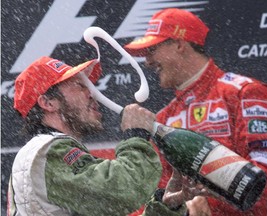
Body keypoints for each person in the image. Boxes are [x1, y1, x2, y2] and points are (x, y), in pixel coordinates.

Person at [124, 8, 267, 216]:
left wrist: (211, 203)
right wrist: (175, 205)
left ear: (179, 45)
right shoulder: (165, 118)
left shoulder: (244, 93)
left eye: (152, 50)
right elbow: (158, 191)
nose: (147, 61)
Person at [7, 56, 162, 216]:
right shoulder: (48, 152)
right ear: (48, 103)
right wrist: (135, 136)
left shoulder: (49, 153)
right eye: (80, 86)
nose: (93, 94)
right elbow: (124, 191)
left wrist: (165, 208)